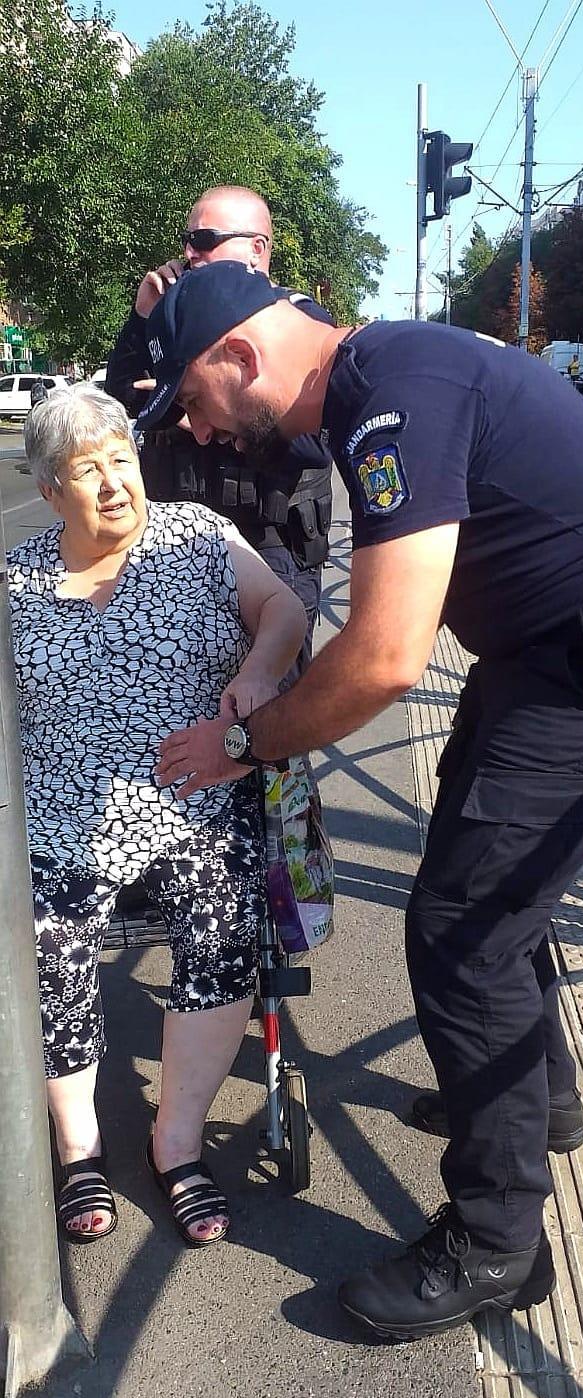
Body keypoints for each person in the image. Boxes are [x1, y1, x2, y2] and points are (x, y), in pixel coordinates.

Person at [142, 262, 583, 1341]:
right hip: (560, 650)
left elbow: (388, 656)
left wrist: (241, 743)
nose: (202, 433)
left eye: (193, 400)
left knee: (466, 932)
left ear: (241, 357)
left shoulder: (392, 394)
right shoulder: (383, 373)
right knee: (490, 888)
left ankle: (497, 1241)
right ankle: (537, 1103)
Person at [8, 384, 305, 1247]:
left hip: (197, 800)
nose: (111, 483)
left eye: (121, 461)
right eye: (86, 469)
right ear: (50, 488)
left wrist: (255, 676)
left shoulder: (197, 537)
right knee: (44, 942)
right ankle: (79, 1149)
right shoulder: (19, 578)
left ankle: (176, 1143)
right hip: (62, 814)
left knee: (221, 926)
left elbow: (282, 609)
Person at [106, 185, 333, 673]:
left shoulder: (293, 321)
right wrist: (143, 316)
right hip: (180, 535)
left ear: (257, 247)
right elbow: (122, 398)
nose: (190, 252)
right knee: (178, 690)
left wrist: (197, 416)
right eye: (188, 239)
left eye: (206, 239)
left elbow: (312, 443)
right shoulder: (176, 318)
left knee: (267, 704)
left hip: (268, 542)